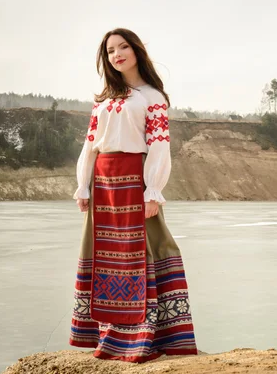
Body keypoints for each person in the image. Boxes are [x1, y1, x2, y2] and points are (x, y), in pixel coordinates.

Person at [69, 28, 198, 362]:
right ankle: (107, 336)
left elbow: (158, 145)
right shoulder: (103, 100)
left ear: (137, 50)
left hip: (135, 181)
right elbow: (90, 144)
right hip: (104, 183)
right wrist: (83, 185)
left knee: (145, 252)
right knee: (104, 255)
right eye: (110, 50)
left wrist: (153, 191)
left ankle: (148, 337)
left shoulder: (152, 97)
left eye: (123, 47)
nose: (117, 54)